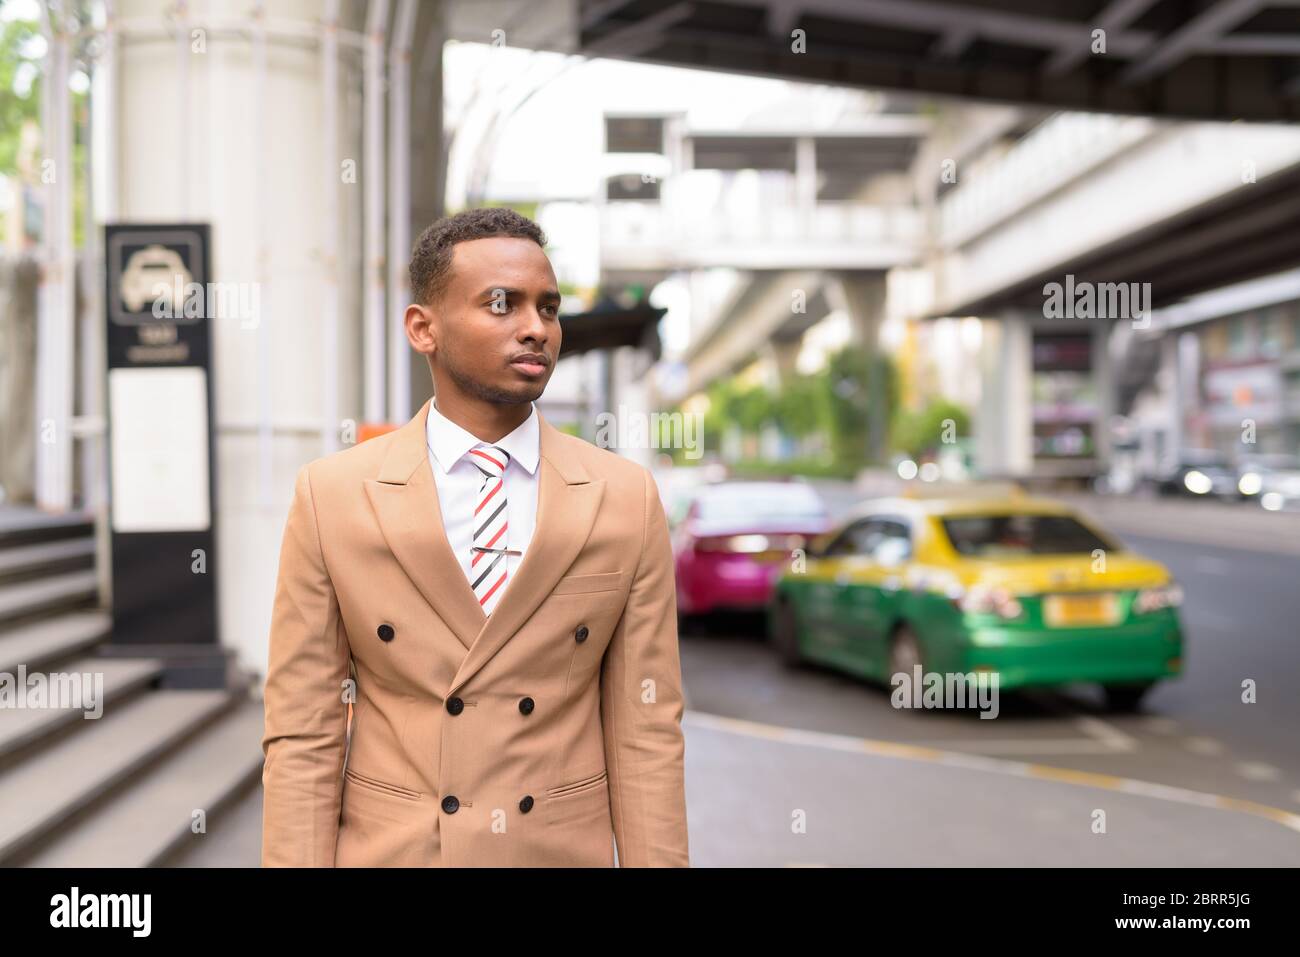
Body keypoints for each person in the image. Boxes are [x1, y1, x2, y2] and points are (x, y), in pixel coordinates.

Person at [260, 207, 689, 867]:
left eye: (548, 308)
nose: (534, 329)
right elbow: (303, 734)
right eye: (501, 304)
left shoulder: (623, 498)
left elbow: (646, 734)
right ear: (423, 329)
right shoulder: (334, 497)